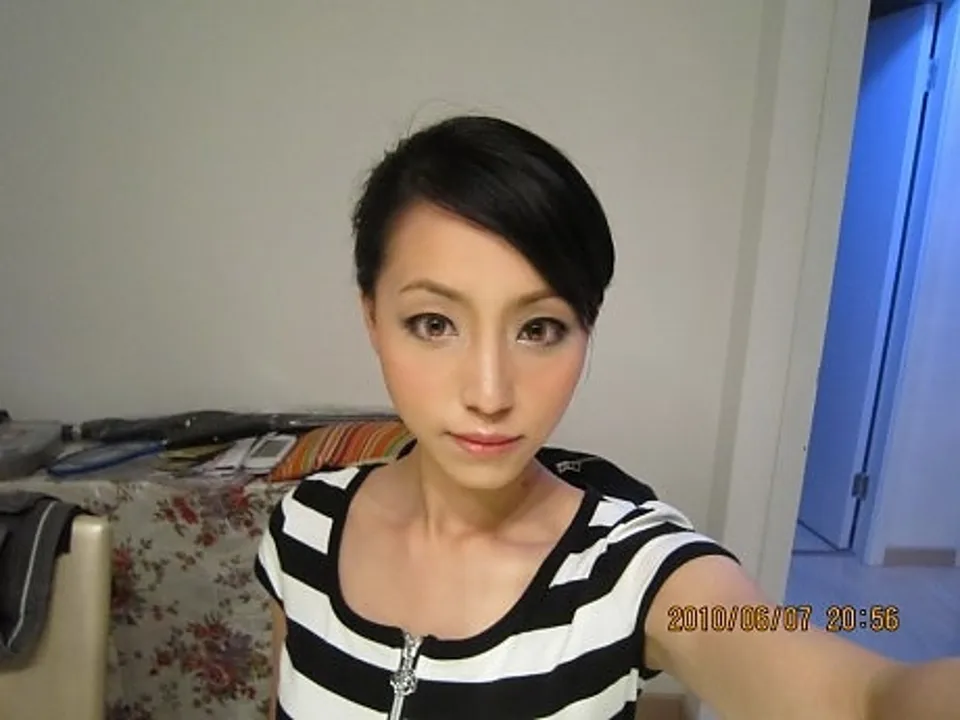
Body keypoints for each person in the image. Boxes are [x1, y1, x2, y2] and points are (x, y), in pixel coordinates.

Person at [255, 115, 960, 719]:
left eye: (539, 329)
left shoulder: (628, 568)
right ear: (373, 318)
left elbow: (864, 698)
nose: (490, 393)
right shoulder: (304, 526)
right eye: (434, 323)